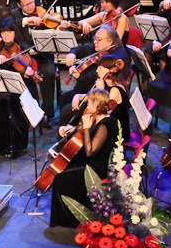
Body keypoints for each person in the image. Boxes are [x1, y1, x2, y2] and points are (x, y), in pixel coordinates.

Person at [50, 88, 119, 227]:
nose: (87, 107)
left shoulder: (106, 125)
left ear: (97, 106)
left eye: (89, 104)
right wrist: (71, 129)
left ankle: (70, 220)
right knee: (66, 168)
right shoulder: (98, 118)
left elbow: (90, 151)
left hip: (96, 170)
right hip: (91, 164)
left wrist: (87, 128)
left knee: (60, 178)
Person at [0, 20, 37, 157]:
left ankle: (16, 144)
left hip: (20, 86)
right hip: (1, 85)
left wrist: (26, 73)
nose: (6, 35)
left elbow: (28, 68)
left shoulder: (23, 48)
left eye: (9, 31)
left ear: (15, 33)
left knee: (10, 102)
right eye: (3, 32)